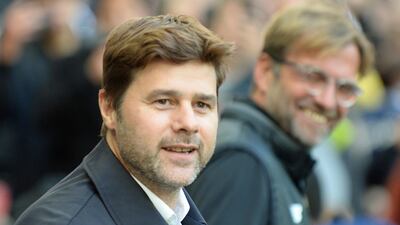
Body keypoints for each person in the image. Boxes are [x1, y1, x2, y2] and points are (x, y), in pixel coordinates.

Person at [14, 14, 234, 225]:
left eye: (202, 105)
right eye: (164, 101)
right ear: (108, 108)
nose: (189, 123)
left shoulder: (180, 214)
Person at [187, 1, 374, 225]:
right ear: (265, 71)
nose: (327, 101)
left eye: (345, 88)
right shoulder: (243, 164)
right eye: (313, 77)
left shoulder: (274, 159)